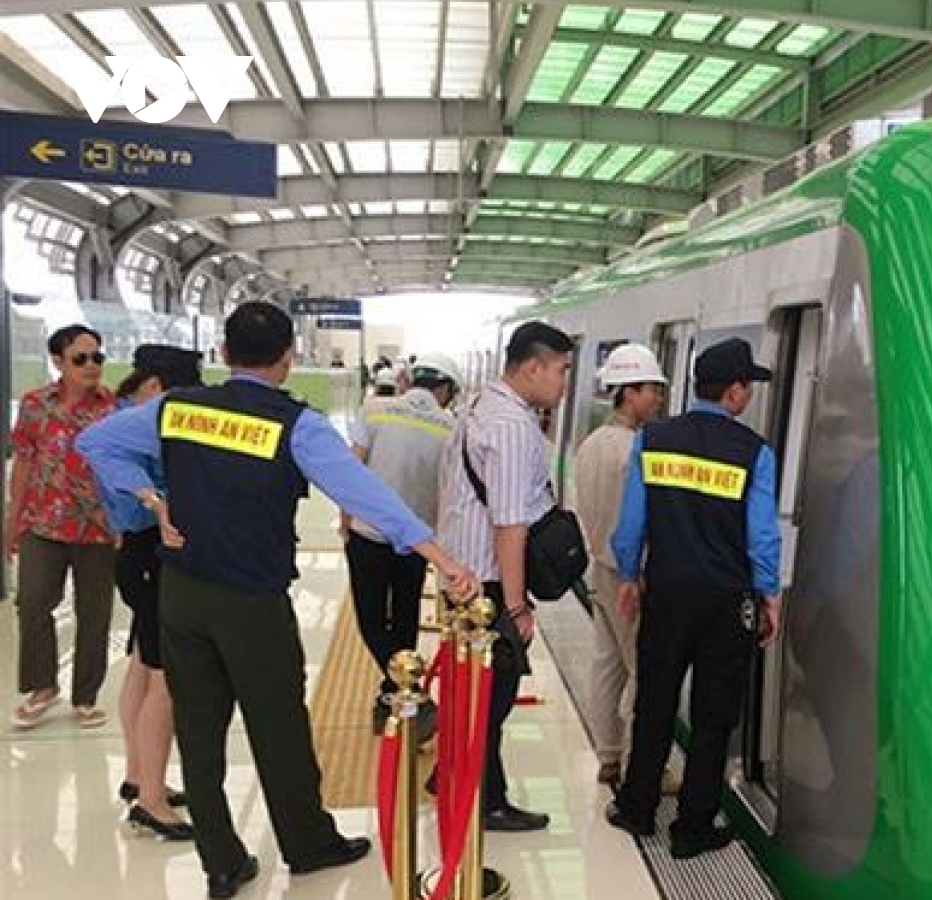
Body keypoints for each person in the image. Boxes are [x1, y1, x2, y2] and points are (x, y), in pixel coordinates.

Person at [77, 302, 480, 900]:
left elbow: (94, 442)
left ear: (224, 352)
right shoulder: (297, 425)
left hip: (182, 592)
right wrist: (439, 556)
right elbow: (362, 493)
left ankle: (221, 861)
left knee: (199, 727)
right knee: (279, 725)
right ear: (288, 358)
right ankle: (308, 842)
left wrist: (151, 501)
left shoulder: (176, 408)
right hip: (251, 602)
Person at [605, 338, 783, 860]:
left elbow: (630, 523)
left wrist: (630, 575)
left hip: (666, 595)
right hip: (726, 603)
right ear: (734, 391)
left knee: (655, 703)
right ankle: (692, 828)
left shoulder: (654, 438)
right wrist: (769, 595)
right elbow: (762, 537)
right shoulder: (754, 452)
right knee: (713, 715)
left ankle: (637, 808)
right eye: (747, 386)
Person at [436, 321, 573, 833]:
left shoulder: (477, 406)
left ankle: (452, 776)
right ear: (533, 367)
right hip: (489, 589)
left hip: (462, 577)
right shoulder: (513, 427)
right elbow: (510, 524)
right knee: (491, 699)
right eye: (561, 370)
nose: (565, 382)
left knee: (471, 691)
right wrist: (516, 607)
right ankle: (486, 801)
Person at [98, 345, 205, 841]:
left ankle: (139, 776)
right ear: (159, 386)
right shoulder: (135, 429)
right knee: (165, 681)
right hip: (148, 553)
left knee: (143, 667)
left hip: (137, 554)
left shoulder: (123, 417)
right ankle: (153, 802)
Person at [7, 324, 118, 731]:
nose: (91, 366)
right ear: (58, 362)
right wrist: (12, 520)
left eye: (97, 358)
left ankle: (85, 696)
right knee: (33, 602)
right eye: (80, 359)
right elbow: (23, 463)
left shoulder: (112, 408)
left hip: (98, 529)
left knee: (95, 614)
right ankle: (43, 686)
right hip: (42, 524)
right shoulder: (35, 405)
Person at [343, 354, 461, 735]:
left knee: (371, 619)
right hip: (417, 542)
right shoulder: (451, 426)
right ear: (446, 389)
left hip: (368, 533)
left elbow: (351, 470)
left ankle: (406, 693)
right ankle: (399, 693)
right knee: (406, 615)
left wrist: (345, 523)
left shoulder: (374, 409)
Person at [572, 345, 671, 788]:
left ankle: (609, 756)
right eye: (653, 390)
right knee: (640, 671)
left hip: (599, 567)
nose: (659, 400)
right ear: (629, 392)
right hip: (631, 574)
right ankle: (638, 765)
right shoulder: (636, 449)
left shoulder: (591, 444)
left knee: (606, 664)